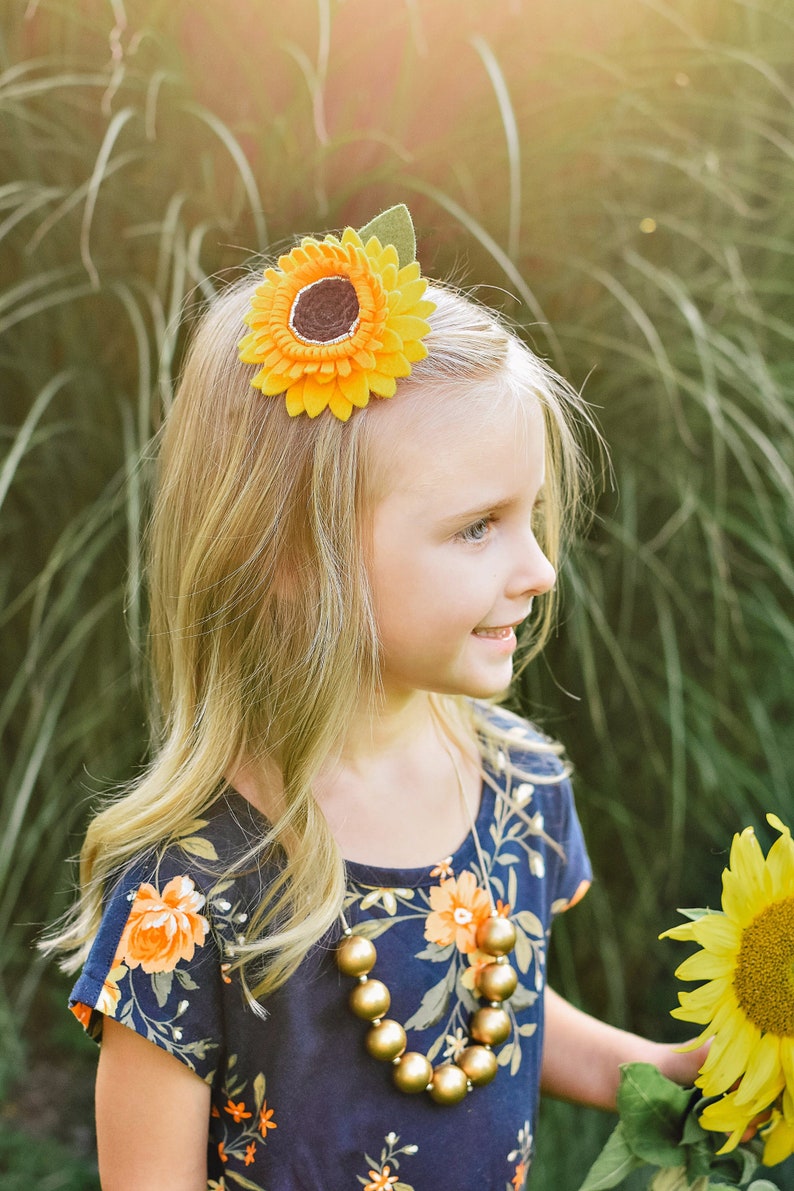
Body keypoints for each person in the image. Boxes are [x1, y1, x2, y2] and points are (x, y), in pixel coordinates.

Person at [47, 206, 705, 1190]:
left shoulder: (516, 783)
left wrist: (663, 1074)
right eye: (478, 527)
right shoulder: (189, 888)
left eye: (531, 517)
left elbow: (502, 1006)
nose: (537, 570)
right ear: (294, 562)